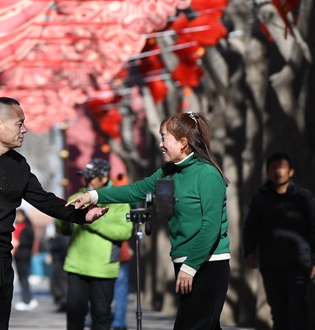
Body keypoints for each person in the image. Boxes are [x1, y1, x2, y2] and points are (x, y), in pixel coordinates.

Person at [0, 97, 108, 330]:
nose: (25, 130)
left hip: (2, 262)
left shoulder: (18, 165)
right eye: (19, 123)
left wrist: (81, 216)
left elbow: (43, 200)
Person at [69, 112, 230, 330]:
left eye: (165, 138)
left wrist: (191, 266)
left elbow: (210, 227)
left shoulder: (207, 174)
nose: (161, 144)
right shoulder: (169, 171)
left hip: (207, 264)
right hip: (186, 261)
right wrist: (93, 196)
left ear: (183, 142)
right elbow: (136, 190)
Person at [242, 152, 315, 330]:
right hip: (271, 265)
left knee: (297, 310)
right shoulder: (260, 199)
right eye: (273, 168)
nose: (277, 171)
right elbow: (250, 228)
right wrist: (249, 252)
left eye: (282, 167)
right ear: (267, 171)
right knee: (278, 314)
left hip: (299, 265)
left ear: (291, 172)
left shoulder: (303, 198)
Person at [63, 158, 132, 330]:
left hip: (103, 268)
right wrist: (62, 218)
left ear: (104, 177)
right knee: (74, 314)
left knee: (101, 315)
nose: (86, 181)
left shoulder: (119, 200)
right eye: (84, 177)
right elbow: (63, 229)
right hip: (76, 266)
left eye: (91, 177)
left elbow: (124, 232)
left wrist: (93, 221)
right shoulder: (75, 197)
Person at [110, 173, 133, 330]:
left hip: (115, 252)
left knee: (104, 289)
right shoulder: (128, 201)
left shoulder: (111, 199)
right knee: (120, 290)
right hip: (122, 252)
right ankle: (119, 322)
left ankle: (115, 320)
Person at [12, 209, 36, 310]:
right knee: (21, 278)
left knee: (24, 278)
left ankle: (27, 299)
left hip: (24, 255)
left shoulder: (27, 228)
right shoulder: (16, 227)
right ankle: (25, 299)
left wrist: (17, 243)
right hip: (17, 255)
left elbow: (27, 242)